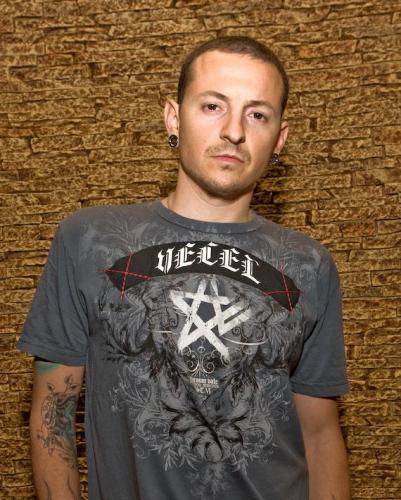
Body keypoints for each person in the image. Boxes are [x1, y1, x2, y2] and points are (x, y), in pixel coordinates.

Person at [18, 36, 350, 500]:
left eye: (257, 114)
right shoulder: (89, 240)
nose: (234, 131)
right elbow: (51, 414)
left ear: (280, 138)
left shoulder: (310, 264)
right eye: (213, 106)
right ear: (174, 118)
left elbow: (319, 434)